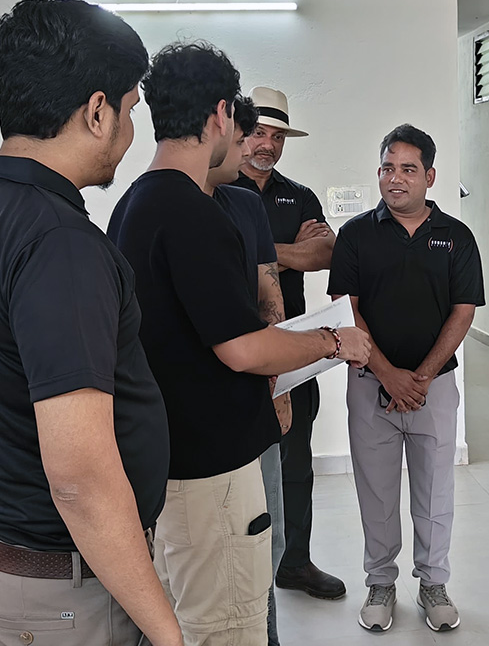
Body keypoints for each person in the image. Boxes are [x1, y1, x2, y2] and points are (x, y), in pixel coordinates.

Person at [0, 0, 182, 646]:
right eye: (128, 112)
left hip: (2, 561)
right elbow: (80, 478)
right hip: (65, 592)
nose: (129, 133)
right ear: (96, 111)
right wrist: (167, 633)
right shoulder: (58, 244)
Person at [108, 43, 371, 646]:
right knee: (226, 629)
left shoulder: (133, 205)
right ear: (221, 115)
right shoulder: (189, 212)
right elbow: (244, 349)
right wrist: (336, 340)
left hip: (162, 461)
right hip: (209, 476)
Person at [328, 124, 484, 633]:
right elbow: (346, 311)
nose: (395, 179)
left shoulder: (456, 237)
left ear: (430, 177)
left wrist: (419, 377)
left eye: (408, 169)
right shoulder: (354, 236)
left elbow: (463, 312)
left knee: (436, 493)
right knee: (375, 491)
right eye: (387, 168)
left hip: (432, 390)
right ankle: (380, 582)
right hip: (370, 386)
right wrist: (389, 375)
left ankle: (433, 583)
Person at [232, 86, 345, 601]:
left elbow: (325, 254)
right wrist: (286, 251)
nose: (268, 146)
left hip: (296, 347)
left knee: (295, 457)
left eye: (278, 137)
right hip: (233, 347)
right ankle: (243, 564)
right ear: (240, 132)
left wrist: (263, 254)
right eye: (259, 133)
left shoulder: (297, 195)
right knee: (238, 462)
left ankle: (294, 562)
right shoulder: (216, 188)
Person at [205, 95, 291, 646]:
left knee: (270, 538)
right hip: (199, 421)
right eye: (247, 134)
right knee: (217, 550)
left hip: (258, 397)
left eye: (269, 137)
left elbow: (269, 292)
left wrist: (279, 389)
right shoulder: (157, 205)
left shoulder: (249, 206)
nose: (257, 146)